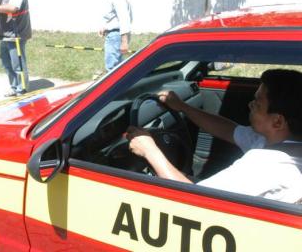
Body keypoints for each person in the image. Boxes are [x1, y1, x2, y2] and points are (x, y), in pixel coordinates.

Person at [127, 69, 302, 203]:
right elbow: (229, 130)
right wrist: (183, 107)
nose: (250, 105)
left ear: (278, 122)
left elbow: (194, 199)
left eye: (257, 103)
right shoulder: (279, 142)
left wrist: (149, 150)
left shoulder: (265, 166)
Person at [98, 0, 132, 71]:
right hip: (115, 35)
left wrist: (124, 41)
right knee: (116, 70)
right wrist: (106, 27)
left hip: (115, 36)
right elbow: (115, 16)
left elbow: (124, 17)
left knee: (112, 70)